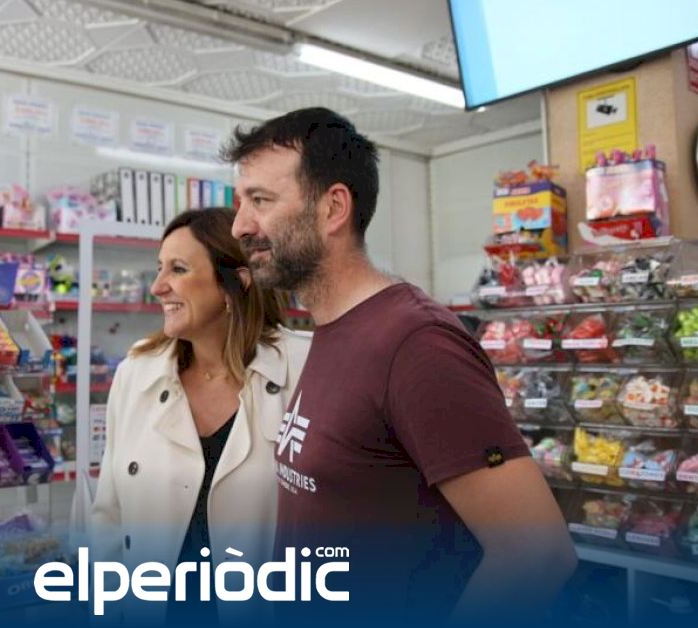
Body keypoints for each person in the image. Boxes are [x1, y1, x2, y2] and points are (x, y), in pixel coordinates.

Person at [226, 108, 577, 623]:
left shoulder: (416, 344)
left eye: (260, 201)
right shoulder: (335, 330)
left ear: (333, 208)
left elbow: (537, 554)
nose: (239, 225)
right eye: (240, 202)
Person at [91, 207, 310, 623]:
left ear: (236, 283)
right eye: (160, 268)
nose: (157, 286)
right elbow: (108, 520)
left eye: (178, 269)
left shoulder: (303, 369)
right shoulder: (136, 374)